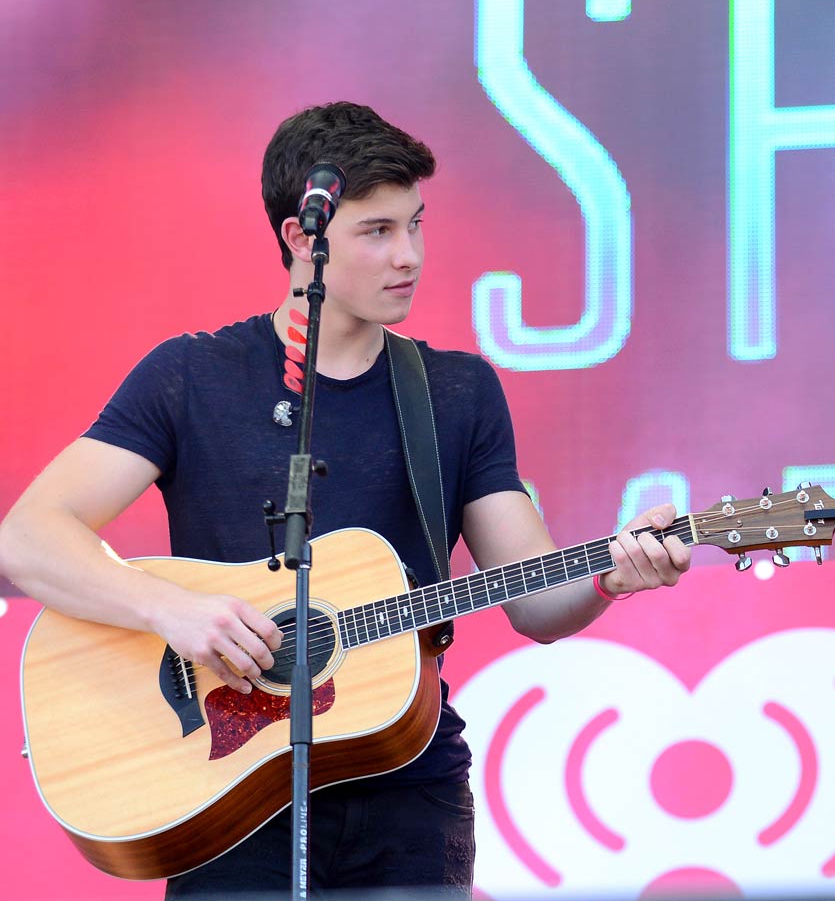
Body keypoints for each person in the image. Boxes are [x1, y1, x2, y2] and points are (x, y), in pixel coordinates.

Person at [0, 101, 692, 894]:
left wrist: (612, 570)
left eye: (416, 225)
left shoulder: (455, 391)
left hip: (406, 787)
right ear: (303, 238)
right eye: (377, 231)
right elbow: (27, 538)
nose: (410, 256)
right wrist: (170, 609)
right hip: (228, 787)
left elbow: (534, 597)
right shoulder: (191, 376)